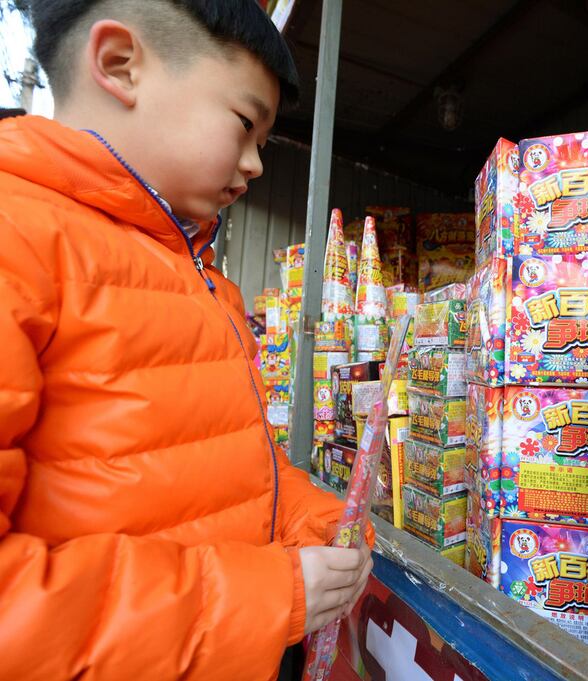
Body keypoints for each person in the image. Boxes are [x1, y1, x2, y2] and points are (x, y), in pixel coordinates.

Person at [0, 2, 372, 679]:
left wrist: (316, 520)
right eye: (244, 124)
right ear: (120, 64)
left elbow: (227, 471)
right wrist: (267, 594)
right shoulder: (17, 239)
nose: (257, 164)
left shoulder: (200, 276)